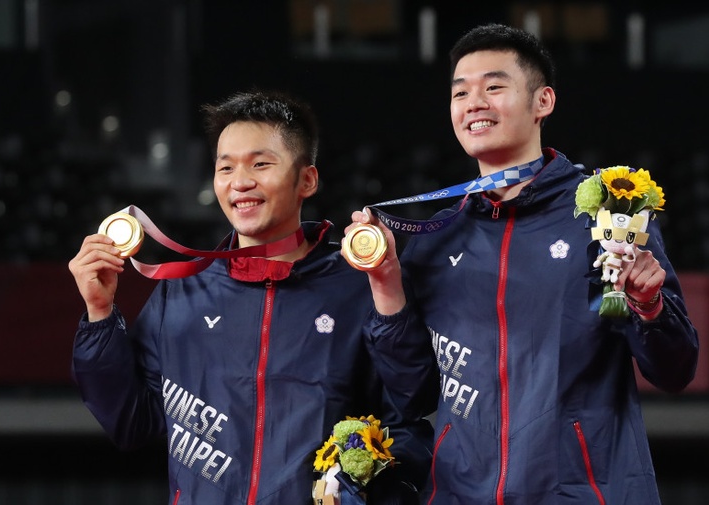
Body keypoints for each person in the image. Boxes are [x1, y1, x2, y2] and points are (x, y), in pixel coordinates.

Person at [347, 24, 699, 504]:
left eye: (494, 87)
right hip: (459, 494)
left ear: (543, 102)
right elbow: (413, 397)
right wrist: (386, 283)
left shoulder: (606, 218)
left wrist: (650, 306)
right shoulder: (436, 238)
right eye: (461, 92)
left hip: (581, 492)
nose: (474, 102)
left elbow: (675, 371)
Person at [69, 90, 438, 505]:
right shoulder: (183, 290)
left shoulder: (359, 285)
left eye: (261, 164)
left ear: (307, 180)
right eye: (226, 167)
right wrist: (100, 314)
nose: (240, 182)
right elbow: (131, 423)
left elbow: (411, 407)